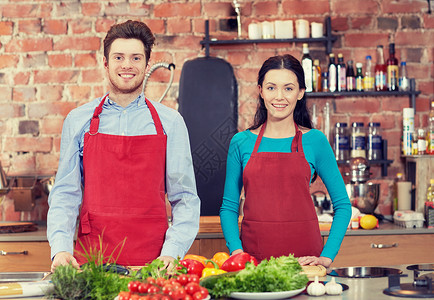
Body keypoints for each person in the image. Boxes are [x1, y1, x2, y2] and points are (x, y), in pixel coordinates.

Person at [47, 20, 200, 272]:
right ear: (105, 64)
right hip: (91, 264)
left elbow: (185, 199)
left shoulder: (170, 122)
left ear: (147, 64)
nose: (127, 65)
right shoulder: (78, 120)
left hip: (153, 264)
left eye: (136, 58)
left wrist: (172, 254)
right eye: (118, 57)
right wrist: (60, 248)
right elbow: (65, 194)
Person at [220, 54, 351, 267]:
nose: (279, 97)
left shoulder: (315, 141)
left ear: (300, 93)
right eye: (271, 88)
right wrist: (238, 253)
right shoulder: (240, 142)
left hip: (306, 263)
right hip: (255, 264)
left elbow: (343, 205)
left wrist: (326, 258)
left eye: (288, 88)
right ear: (261, 91)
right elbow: (228, 207)